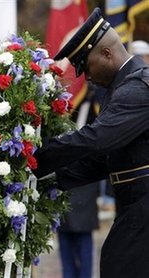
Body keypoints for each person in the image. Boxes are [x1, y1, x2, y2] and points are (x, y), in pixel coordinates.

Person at [34, 7, 149, 278]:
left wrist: (34, 157)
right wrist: (48, 181)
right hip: (135, 203)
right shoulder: (122, 87)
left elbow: (96, 140)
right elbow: (102, 159)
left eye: (85, 66)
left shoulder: (138, 88)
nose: (85, 77)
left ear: (106, 54)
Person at [57, 86, 100, 278]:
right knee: (63, 232)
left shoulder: (93, 99)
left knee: (83, 234)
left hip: (85, 176)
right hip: (62, 172)